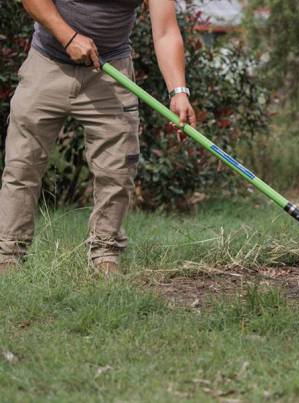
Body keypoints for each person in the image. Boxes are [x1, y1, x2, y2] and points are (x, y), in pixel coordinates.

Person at [0, 0, 196, 277]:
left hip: (109, 70)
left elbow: (165, 31)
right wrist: (68, 36)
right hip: (47, 63)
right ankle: (8, 256)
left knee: (117, 169)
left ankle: (105, 254)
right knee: (23, 165)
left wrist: (178, 92)